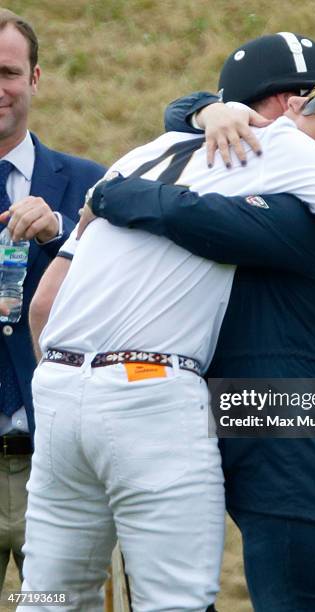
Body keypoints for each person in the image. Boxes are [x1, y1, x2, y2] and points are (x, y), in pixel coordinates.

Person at [26, 58, 315, 612]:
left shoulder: (143, 155)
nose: (293, 103)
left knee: (49, 596)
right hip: (153, 395)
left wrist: (118, 194)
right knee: (174, 601)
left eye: (313, 104)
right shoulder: (269, 151)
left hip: (62, 388)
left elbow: (45, 304)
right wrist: (207, 110)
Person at [0, 8, 105, 590]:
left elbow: (129, 296)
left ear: (35, 79)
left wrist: (62, 231)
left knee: (64, 607)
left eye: (9, 72)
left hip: (61, 466)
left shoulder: (95, 185)